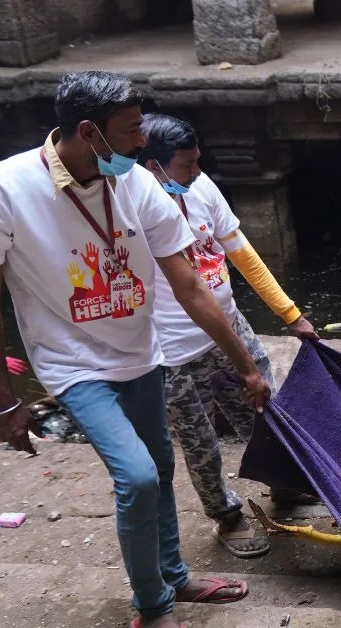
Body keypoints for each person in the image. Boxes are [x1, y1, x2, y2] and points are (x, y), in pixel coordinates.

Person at [0, 71, 269, 628]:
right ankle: (152, 606)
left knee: (158, 467)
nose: (142, 141)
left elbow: (189, 284)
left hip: (140, 352)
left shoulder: (135, 184)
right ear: (90, 132)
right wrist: (2, 400)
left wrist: (246, 365)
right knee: (136, 477)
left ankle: (175, 576)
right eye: (132, 130)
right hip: (71, 363)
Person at [137, 113, 320, 559]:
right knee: (201, 444)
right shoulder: (132, 212)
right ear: (151, 166)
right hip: (175, 352)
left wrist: (289, 313)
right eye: (186, 165)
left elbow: (242, 253)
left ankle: (283, 485)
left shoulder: (201, 189)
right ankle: (226, 516)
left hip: (232, 327)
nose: (196, 172)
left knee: (266, 413)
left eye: (198, 161)